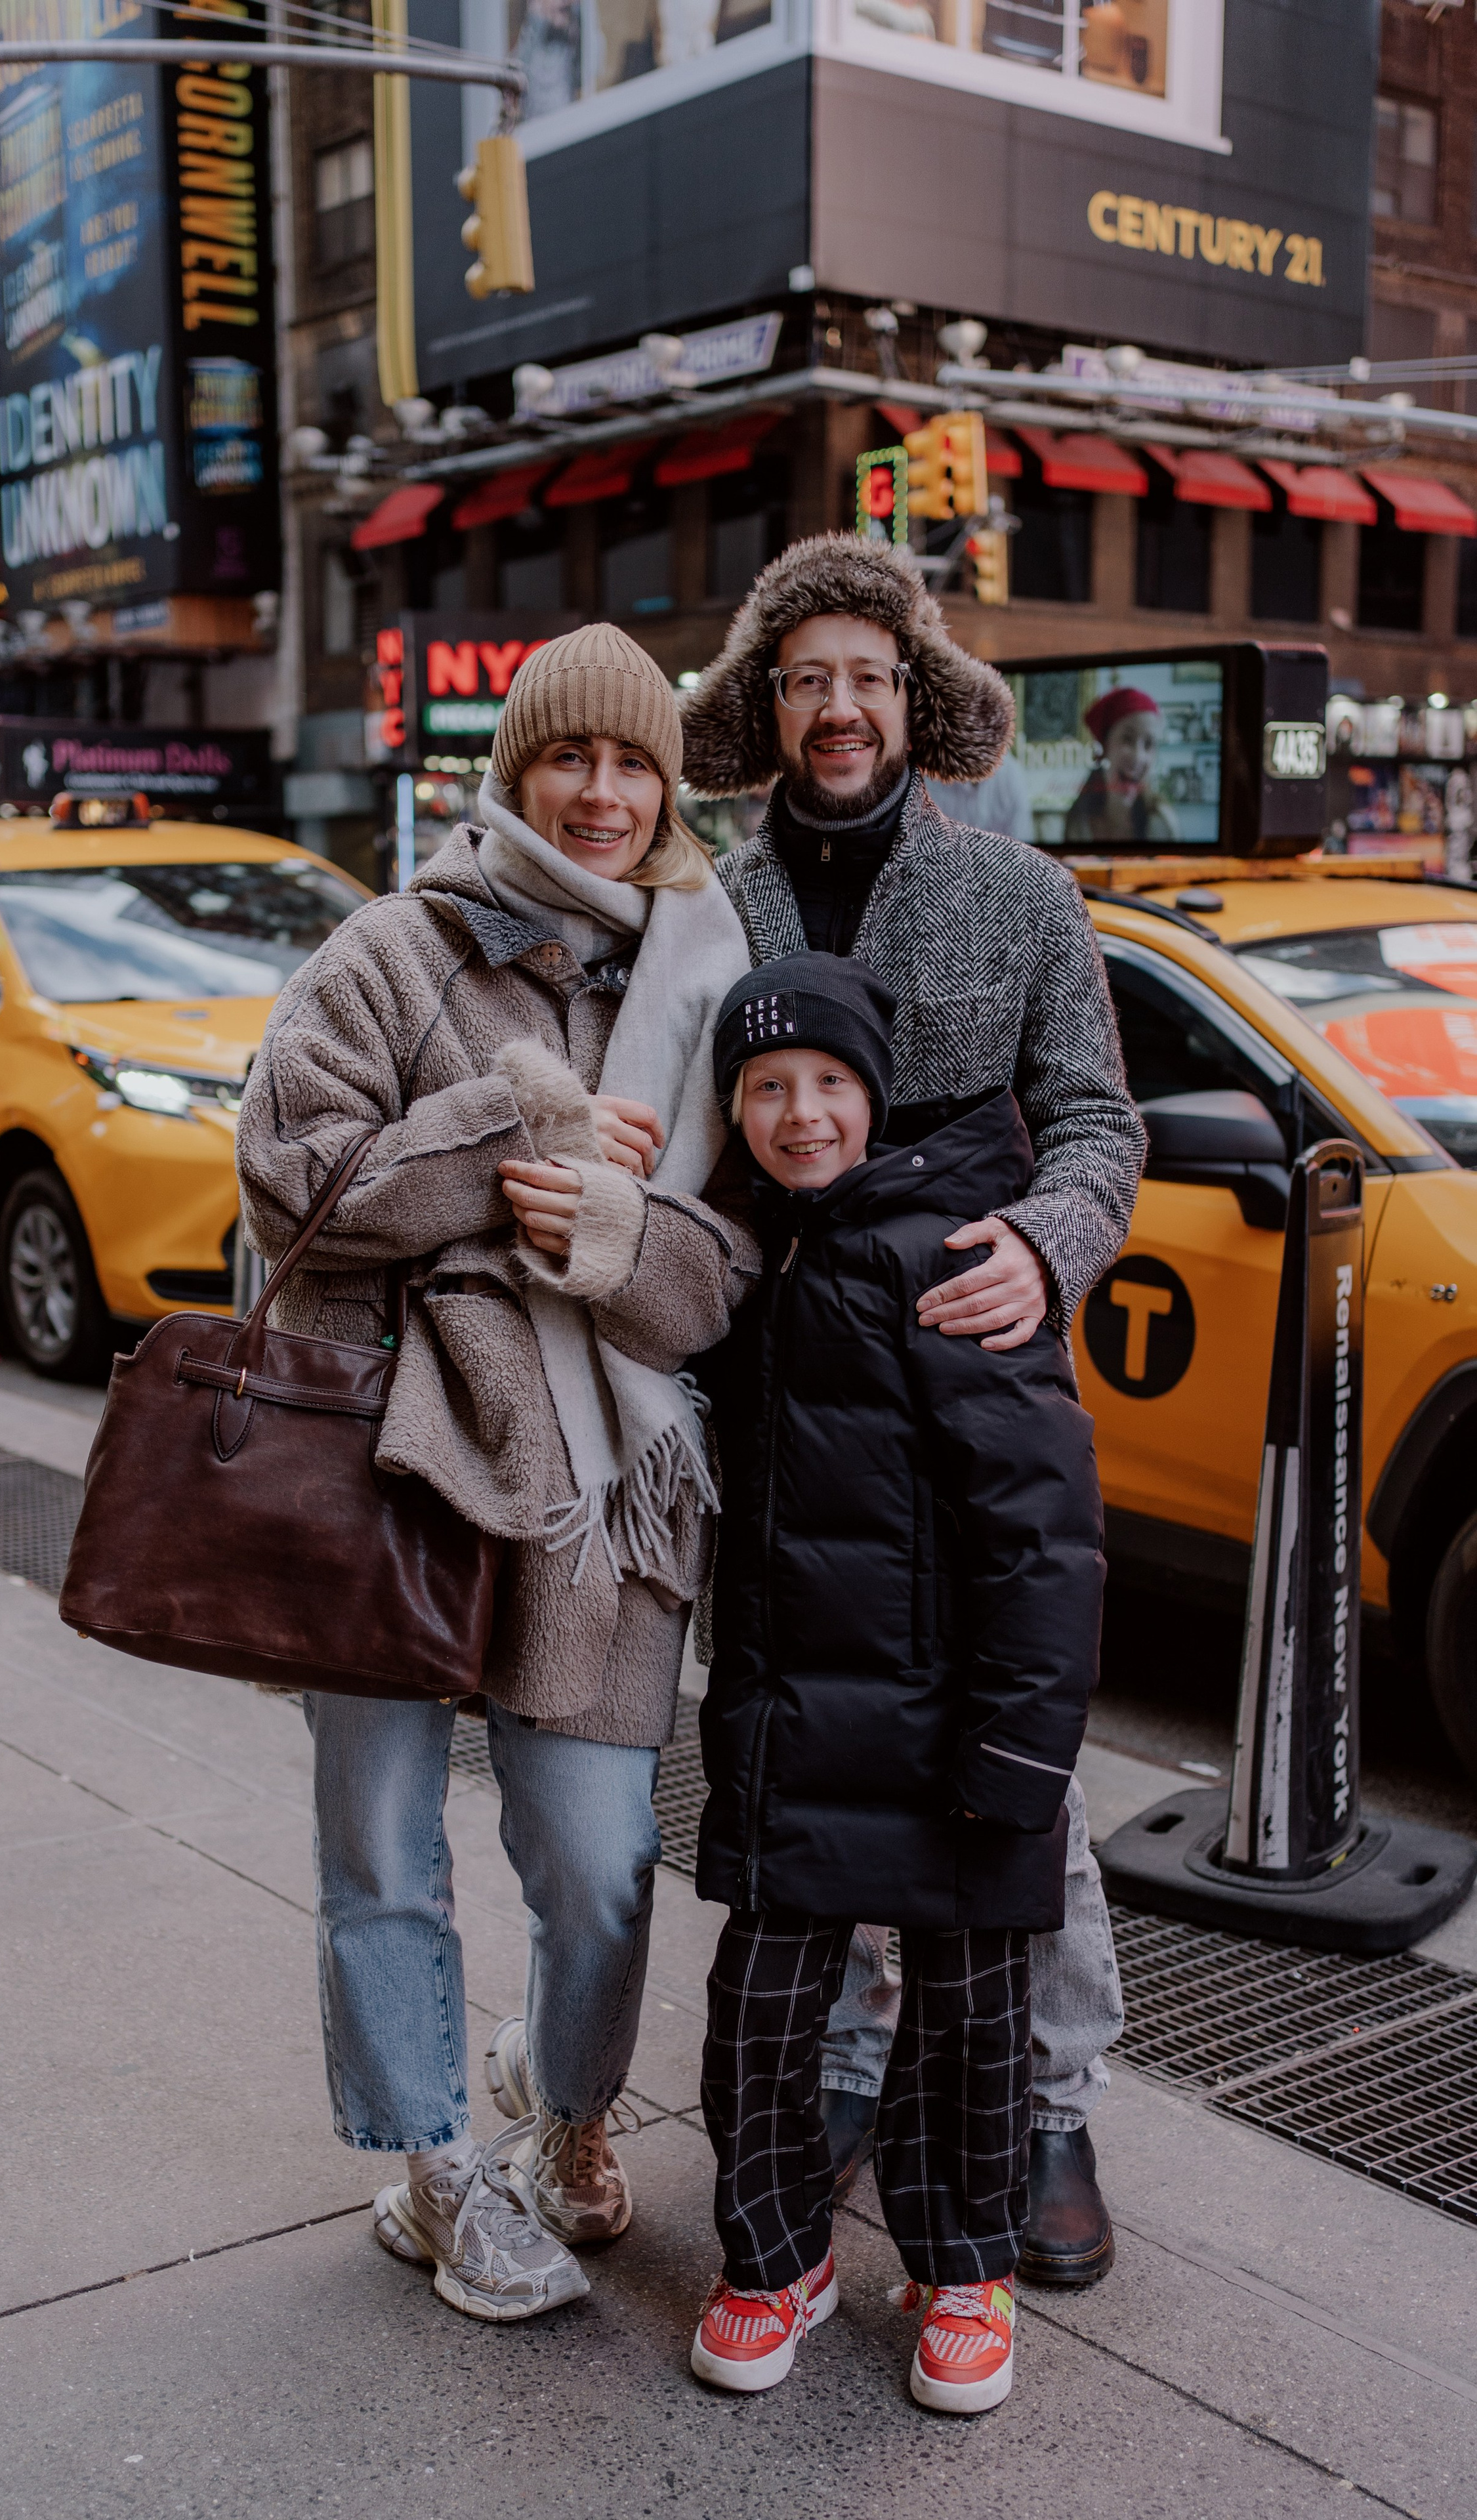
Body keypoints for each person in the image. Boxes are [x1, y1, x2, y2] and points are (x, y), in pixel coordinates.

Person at [235, 623, 758, 2323]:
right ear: (514, 768)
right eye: (570, 757)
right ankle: (433, 2163)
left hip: (604, 1490)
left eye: (632, 764)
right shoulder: (389, 949)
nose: (601, 793)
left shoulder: (698, 984)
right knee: (384, 1846)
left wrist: (618, 1231)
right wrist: (509, 1126)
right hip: (385, 1463)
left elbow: (723, 1269)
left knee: (603, 1860)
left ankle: (569, 2108)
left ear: (666, 786)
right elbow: (288, 1177)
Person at [680, 534, 1144, 2288]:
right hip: (787, 1385)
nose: (843, 705)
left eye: (871, 674)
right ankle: (874, 2067)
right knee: (821, 1745)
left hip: (970, 1363)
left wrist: (1046, 1240)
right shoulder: (710, 901)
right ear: (769, 706)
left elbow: (1098, 1121)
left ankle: (1046, 2094)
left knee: (1018, 1768)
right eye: (809, 677)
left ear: (917, 699)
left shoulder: (1022, 893)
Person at [689, 954, 1105, 2410]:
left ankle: (961, 2262)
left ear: (873, 1097)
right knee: (755, 2011)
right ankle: (772, 2256)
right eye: (764, 1090)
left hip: (955, 1735)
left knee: (969, 2024)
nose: (798, 1115)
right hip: (793, 1728)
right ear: (732, 1112)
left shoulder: (954, 1259)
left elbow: (1043, 1534)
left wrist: (1022, 1754)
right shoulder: (751, 1260)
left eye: (825, 1085)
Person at [1062, 687, 1178, 847]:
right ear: (1106, 745)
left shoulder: (1162, 822)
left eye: (1149, 744)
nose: (1138, 756)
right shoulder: (1080, 821)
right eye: (1127, 739)